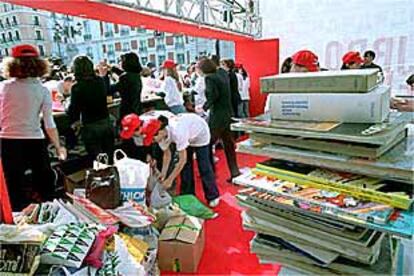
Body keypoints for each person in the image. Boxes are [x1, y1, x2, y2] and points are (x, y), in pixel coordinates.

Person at [0, 44, 67, 211]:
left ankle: (18, 218)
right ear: (39, 64)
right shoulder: (42, 90)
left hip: (8, 141)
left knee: (13, 184)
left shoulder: (3, 88)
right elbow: (49, 124)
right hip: (35, 140)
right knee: (45, 183)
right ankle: (49, 213)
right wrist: (58, 147)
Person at [137, 114, 220, 207]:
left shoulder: (178, 132)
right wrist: (163, 174)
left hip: (200, 133)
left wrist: (170, 180)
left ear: (160, 132)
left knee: (203, 165)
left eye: (152, 138)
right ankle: (187, 195)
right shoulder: (161, 136)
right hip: (187, 133)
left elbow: (182, 160)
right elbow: (167, 155)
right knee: (186, 168)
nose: (152, 141)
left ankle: (213, 195)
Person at [200, 57, 241, 183]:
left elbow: (213, 96)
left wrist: (203, 107)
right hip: (228, 114)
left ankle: (210, 175)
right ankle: (235, 173)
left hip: (217, 116)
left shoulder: (209, 78)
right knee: (229, 146)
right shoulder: (222, 73)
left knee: (206, 145)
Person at [68, 55, 114, 161]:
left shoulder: (77, 87)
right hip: (106, 123)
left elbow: (74, 110)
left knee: (97, 161)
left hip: (90, 127)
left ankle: (102, 176)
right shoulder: (100, 81)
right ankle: (113, 176)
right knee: (109, 158)